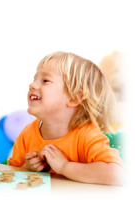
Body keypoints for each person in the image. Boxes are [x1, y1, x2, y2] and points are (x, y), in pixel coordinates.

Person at [8, 51, 125, 185]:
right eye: (35, 79)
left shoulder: (87, 135)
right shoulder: (27, 134)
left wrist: (64, 167)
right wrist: (27, 168)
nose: (32, 85)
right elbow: (12, 171)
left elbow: (117, 175)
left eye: (45, 81)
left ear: (75, 98)